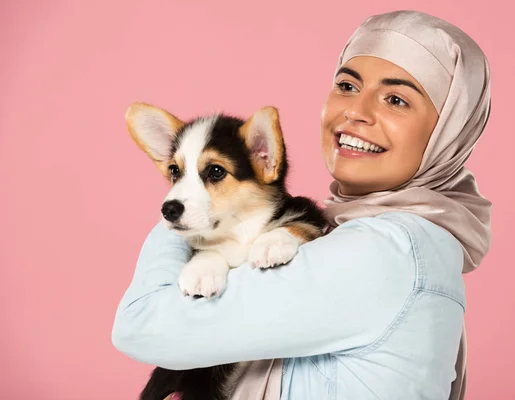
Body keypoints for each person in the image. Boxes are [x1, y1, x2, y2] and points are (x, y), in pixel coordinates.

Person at [112, 9, 492, 400]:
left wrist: (184, 207)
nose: (355, 112)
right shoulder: (385, 234)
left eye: (395, 99)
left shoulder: (385, 251)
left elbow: (142, 325)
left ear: (449, 129)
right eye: (346, 86)